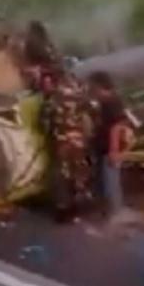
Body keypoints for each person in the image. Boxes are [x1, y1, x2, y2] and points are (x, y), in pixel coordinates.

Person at [41, 66, 97, 222]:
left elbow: (44, 122)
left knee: (63, 176)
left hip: (63, 141)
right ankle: (83, 206)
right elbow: (93, 109)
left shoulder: (51, 100)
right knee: (81, 173)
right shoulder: (79, 95)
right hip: (79, 140)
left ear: (52, 81)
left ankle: (66, 211)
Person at [88, 71, 134, 216]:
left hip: (109, 149)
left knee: (111, 184)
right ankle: (110, 211)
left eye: (92, 86)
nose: (90, 90)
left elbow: (116, 126)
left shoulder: (111, 102)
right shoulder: (104, 103)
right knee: (105, 182)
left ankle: (116, 213)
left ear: (100, 86)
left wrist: (113, 150)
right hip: (103, 149)